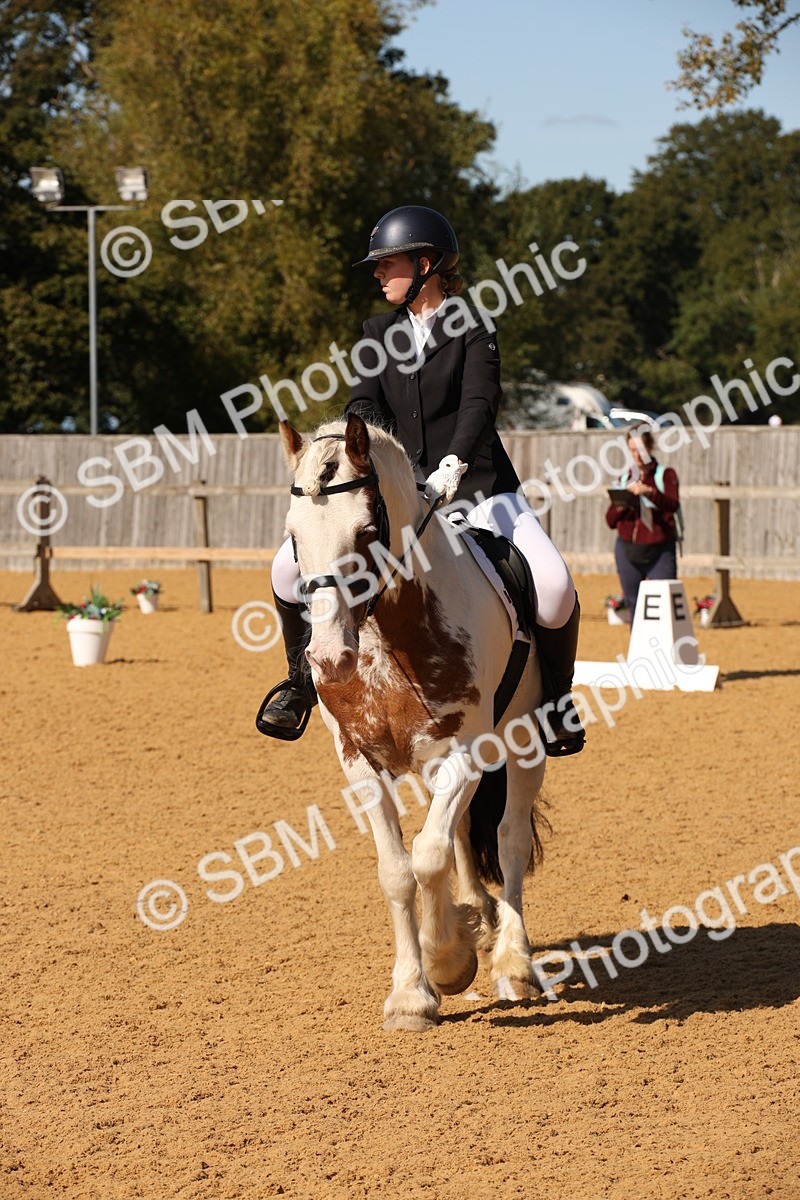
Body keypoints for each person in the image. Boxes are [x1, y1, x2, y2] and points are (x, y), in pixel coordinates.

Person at [259, 205, 585, 756]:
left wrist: (454, 462)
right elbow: (363, 403)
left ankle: (556, 703)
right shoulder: (375, 334)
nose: (379, 274)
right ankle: (297, 685)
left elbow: (479, 405)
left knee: (553, 589)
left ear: (426, 264)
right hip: (397, 495)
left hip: (479, 486)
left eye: (389, 264)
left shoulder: (473, 325)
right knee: (286, 570)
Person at [605, 429, 681, 615]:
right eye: (632, 450)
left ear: (650, 447)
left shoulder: (666, 475)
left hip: (660, 551)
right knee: (635, 610)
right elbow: (610, 520)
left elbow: (672, 505)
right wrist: (622, 502)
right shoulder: (624, 479)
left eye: (641, 449)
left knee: (665, 611)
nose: (637, 455)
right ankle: (636, 645)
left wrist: (650, 493)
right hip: (627, 551)